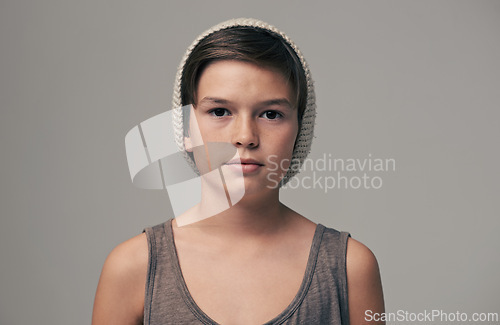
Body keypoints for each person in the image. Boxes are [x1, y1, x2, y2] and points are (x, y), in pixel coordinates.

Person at [92, 18, 385, 325]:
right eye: (219, 112)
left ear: (300, 130)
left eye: (271, 114)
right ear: (186, 129)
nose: (244, 136)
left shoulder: (349, 268)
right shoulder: (133, 268)